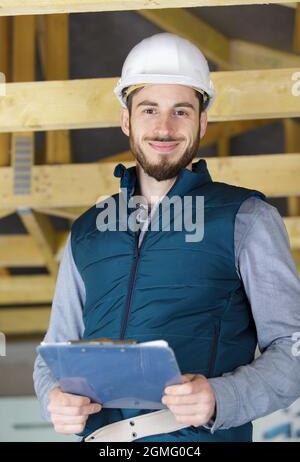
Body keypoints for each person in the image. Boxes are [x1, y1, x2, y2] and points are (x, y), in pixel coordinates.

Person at [33, 33, 300, 442]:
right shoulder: (87, 231)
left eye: (181, 111)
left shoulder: (246, 218)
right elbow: (52, 353)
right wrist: (52, 396)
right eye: (149, 109)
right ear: (126, 120)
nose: (164, 127)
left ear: (202, 122)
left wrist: (221, 396)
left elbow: (293, 348)